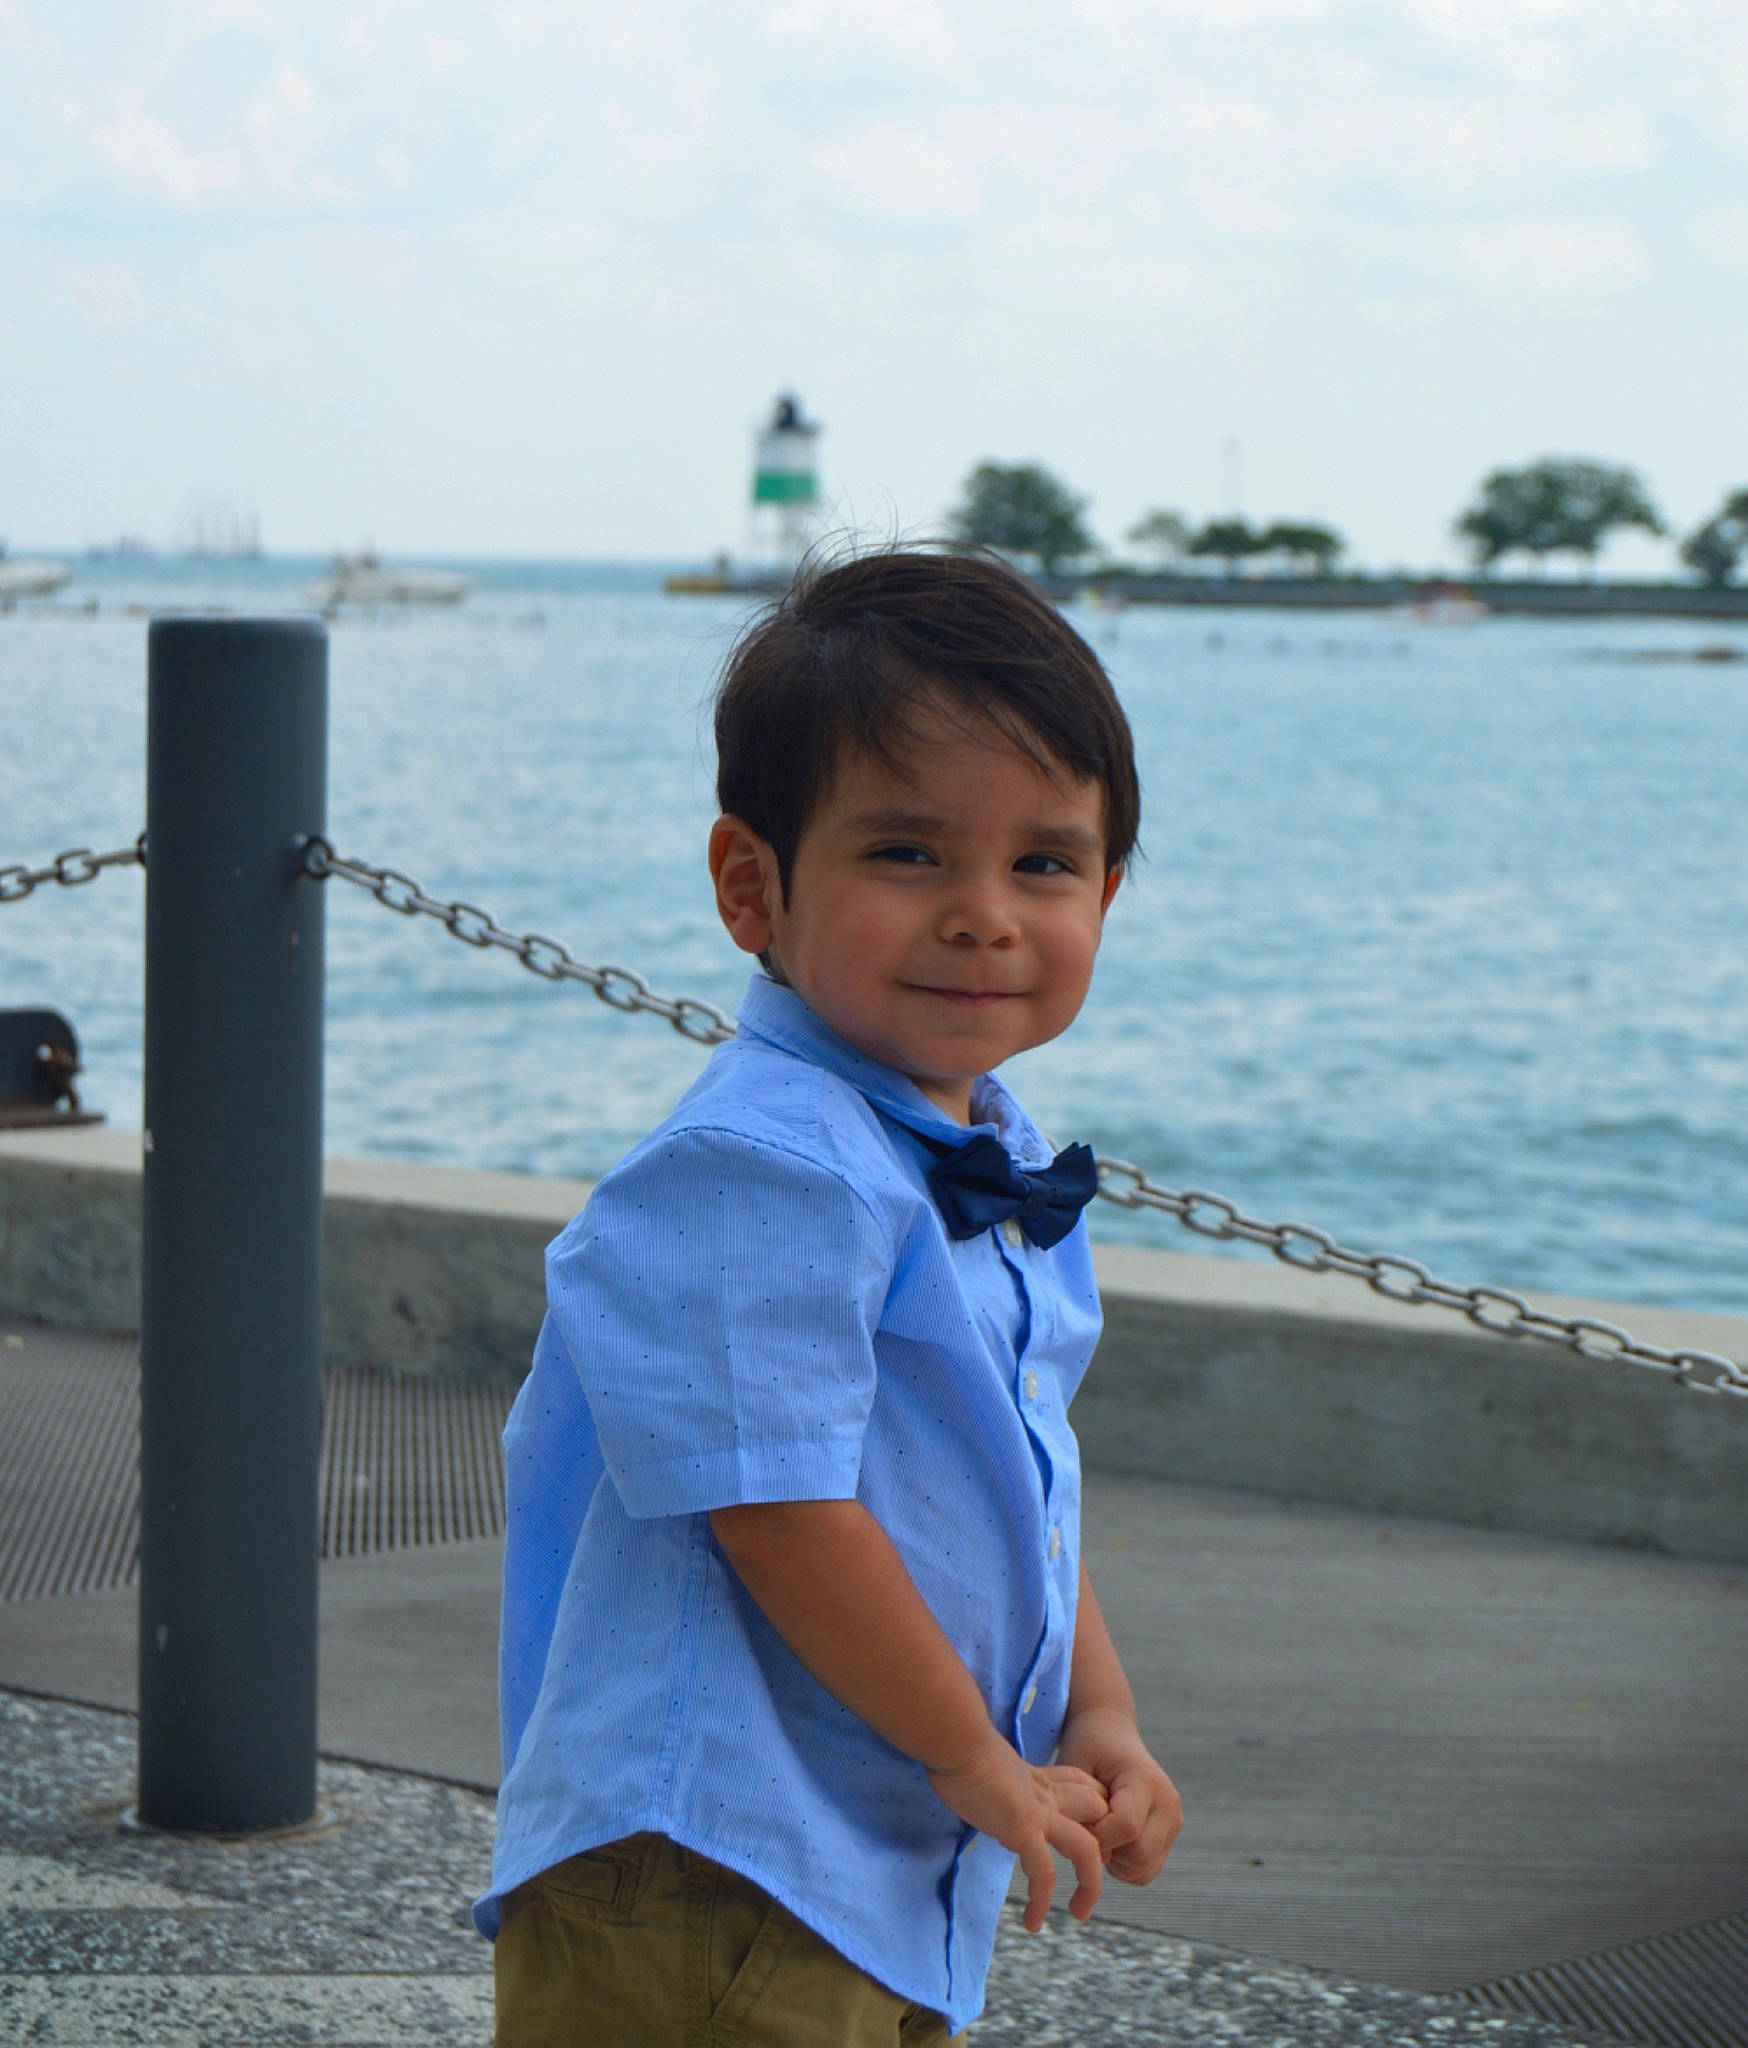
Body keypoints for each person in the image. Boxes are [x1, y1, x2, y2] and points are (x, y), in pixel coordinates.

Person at [477, 549, 1183, 2045]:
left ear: (1109, 891)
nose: (984, 914)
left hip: (876, 1841)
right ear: (754, 885)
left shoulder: (981, 1151)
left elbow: (1017, 1482)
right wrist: (967, 1758)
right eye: (909, 856)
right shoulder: (758, 1166)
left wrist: (1090, 1714)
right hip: (706, 1860)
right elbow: (777, 1505)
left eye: (1044, 864)